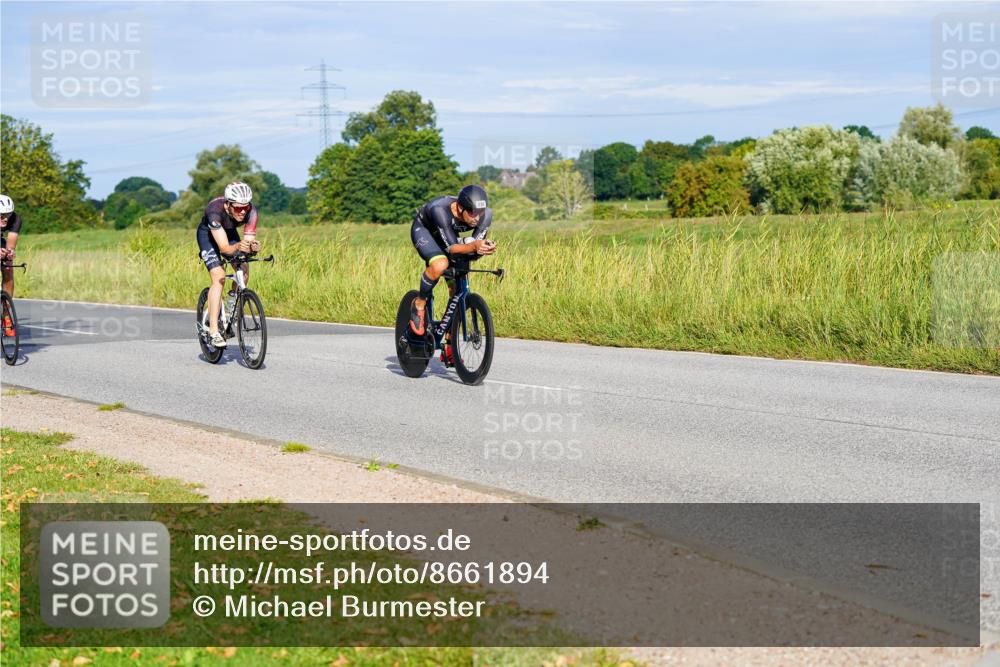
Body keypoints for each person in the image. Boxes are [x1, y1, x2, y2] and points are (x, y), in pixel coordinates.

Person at [409, 184, 496, 363]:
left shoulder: (485, 215)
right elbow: (453, 248)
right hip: (427, 233)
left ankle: (449, 345)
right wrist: (473, 246)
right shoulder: (440, 210)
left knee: (457, 287)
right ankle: (418, 304)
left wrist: (482, 248)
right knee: (441, 264)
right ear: (459, 207)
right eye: (472, 212)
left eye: (480, 212)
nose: (476, 217)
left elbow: (473, 249)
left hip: (452, 238)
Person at [196, 182, 261, 348]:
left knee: (244, 269)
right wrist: (239, 246)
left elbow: (245, 244)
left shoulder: (251, 212)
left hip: (230, 232)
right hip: (209, 236)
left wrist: (251, 247)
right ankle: (213, 332)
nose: (243, 211)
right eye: (238, 208)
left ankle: (231, 303)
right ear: (228, 204)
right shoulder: (214, 211)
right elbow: (225, 248)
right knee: (219, 276)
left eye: (245, 207)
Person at [0, 194, 21, 337]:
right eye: (1, 215)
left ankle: (6, 315)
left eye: (8, 214)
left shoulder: (16, 219)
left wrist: (10, 252)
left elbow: (11, 242)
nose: (5, 218)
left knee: (8, 266)